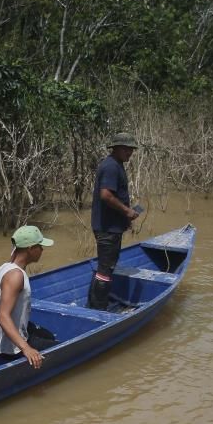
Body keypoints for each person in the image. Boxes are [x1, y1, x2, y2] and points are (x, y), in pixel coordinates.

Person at [0, 225, 55, 369]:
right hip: (5, 348)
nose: (42, 250)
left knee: (48, 335)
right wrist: (26, 348)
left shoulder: (6, 266)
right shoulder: (15, 276)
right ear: (30, 249)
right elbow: (3, 316)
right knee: (58, 348)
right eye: (39, 246)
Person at [88, 131, 140, 310]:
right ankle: (99, 311)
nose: (130, 152)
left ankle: (94, 306)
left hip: (111, 226)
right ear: (116, 148)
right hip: (107, 228)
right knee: (105, 270)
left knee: (105, 268)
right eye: (126, 149)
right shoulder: (111, 167)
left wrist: (126, 217)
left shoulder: (115, 164)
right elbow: (106, 195)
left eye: (131, 149)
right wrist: (126, 211)